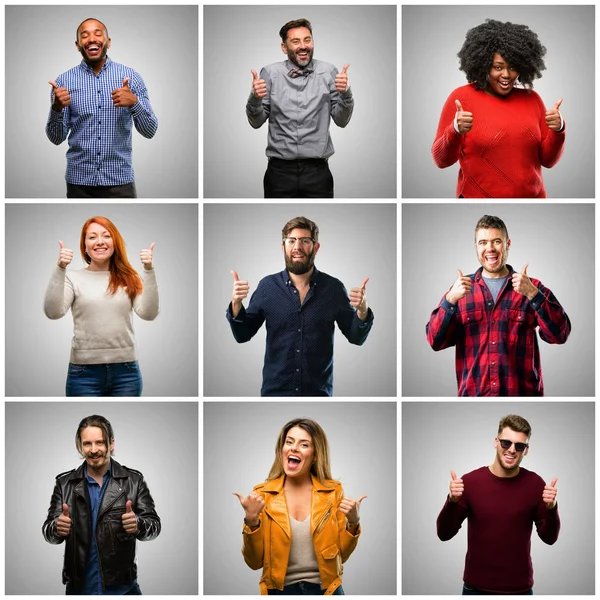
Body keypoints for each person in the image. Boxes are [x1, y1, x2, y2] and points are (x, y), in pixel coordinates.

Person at [226, 216, 373, 396]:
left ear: (315, 247)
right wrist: (236, 303)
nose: (297, 247)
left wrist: (363, 310)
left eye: (305, 241)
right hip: (275, 394)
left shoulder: (333, 289)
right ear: (283, 247)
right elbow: (242, 335)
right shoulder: (267, 287)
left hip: (318, 394)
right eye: (291, 241)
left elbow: (356, 337)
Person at [426, 215, 570, 396]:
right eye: (483, 242)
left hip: (522, 396)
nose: (490, 249)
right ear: (476, 246)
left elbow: (560, 334)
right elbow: (435, 341)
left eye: (496, 241)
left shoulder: (531, 287)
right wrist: (450, 299)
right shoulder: (460, 291)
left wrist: (533, 295)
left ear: (507, 244)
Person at [432, 19, 565, 198]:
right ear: (484, 65)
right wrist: (455, 130)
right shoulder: (462, 98)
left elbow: (548, 161)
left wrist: (558, 130)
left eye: (512, 67)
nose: (506, 75)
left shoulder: (532, 99)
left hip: (533, 200)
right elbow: (441, 161)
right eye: (498, 67)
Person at [234, 418, 365, 595]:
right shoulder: (262, 495)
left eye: (304, 445)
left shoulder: (332, 492)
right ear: (282, 449)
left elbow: (341, 555)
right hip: (279, 591)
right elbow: (254, 562)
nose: (294, 448)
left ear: (315, 454)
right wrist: (251, 521)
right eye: (289, 442)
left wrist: (353, 523)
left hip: (326, 590)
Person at [437, 414, 559, 594]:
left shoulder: (535, 485)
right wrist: (452, 502)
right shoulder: (470, 482)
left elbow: (550, 538)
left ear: (526, 449)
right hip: (475, 590)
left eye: (519, 445)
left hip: (520, 591)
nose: (511, 450)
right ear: (496, 441)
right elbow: (444, 534)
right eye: (506, 443)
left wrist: (552, 508)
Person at [42, 414, 161, 594]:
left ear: (111, 444)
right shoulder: (64, 484)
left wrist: (138, 524)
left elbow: (154, 525)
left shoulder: (134, 481)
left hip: (123, 589)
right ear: (79, 446)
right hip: (79, 589)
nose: (94, 449)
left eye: (100, 442)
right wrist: (57, 528)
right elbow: (48, 531)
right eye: (87, 444)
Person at [44, 216, 159, 396]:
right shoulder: (72, 277)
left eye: (106, 236)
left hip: (126, 373)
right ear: (85, 246)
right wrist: (60, 268)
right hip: (83, 374)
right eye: (92, 237)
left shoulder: (131, 278)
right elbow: (53, 312)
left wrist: (149, 269)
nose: (99, 242)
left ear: (115, 242)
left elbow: (149, 314)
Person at [46, 18, 158, 198]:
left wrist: (134, 102)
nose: (91, 38)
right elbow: (55, 138)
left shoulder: (131, 77)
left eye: (98, 33)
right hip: (78, 183)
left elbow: (150, 131)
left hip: (120, 181)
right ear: (78, 45)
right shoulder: (63, 82)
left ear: (108, 42)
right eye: (85, 35)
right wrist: (56, 109)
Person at [246, 18, 353, 198]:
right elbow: (256, 122)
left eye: (307, 40)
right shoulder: (270, 73)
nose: (303, 46)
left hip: (318, 173)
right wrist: (255, 98)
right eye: (295, 41)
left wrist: (346, 93)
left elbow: (341, 121)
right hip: (279, 172)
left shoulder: (329, 72)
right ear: (284, 47)